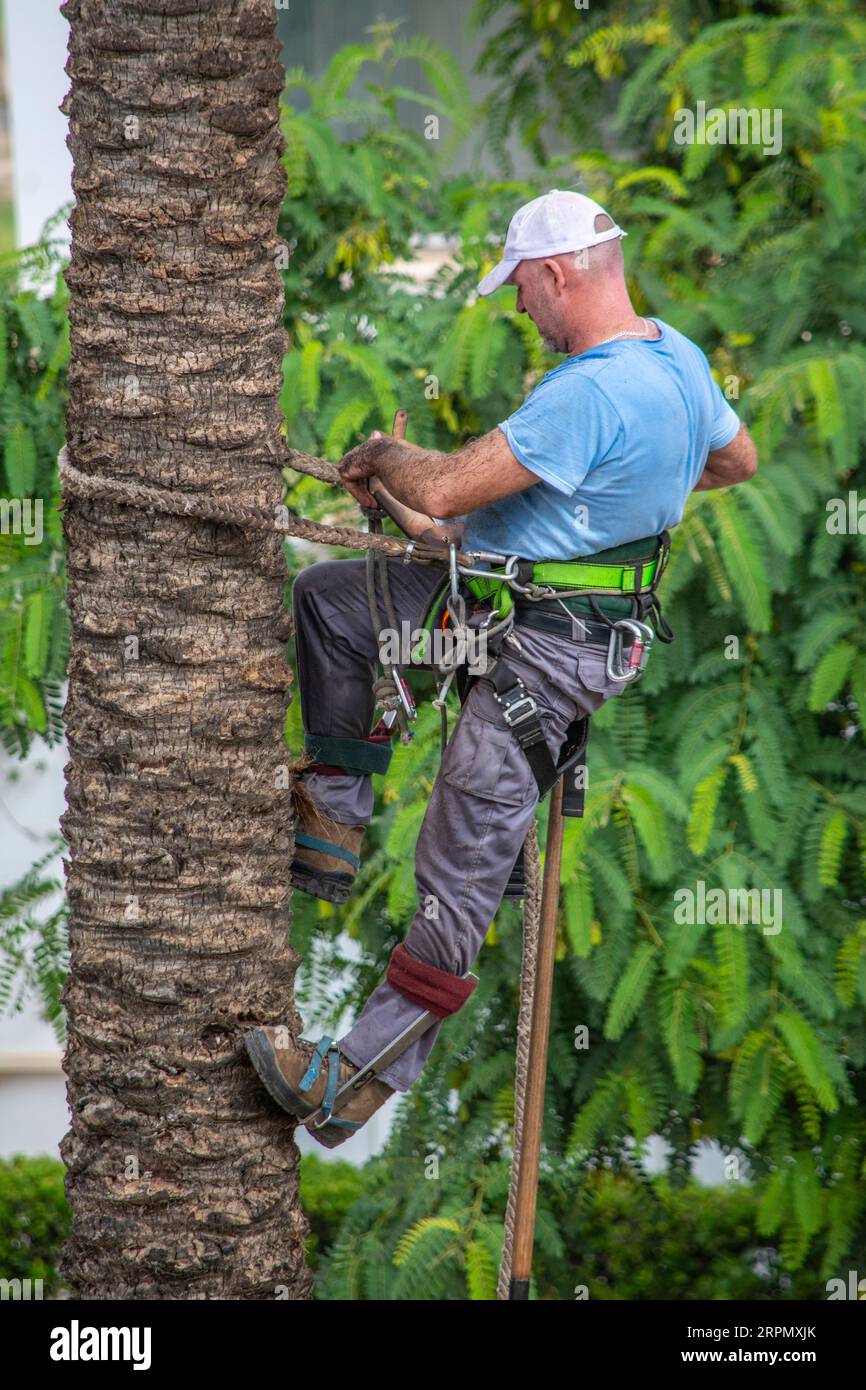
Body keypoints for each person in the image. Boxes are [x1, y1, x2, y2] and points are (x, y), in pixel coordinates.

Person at [244, 189, 757, 1148]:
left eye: (522, 287)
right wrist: (620, 493)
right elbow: (739, 461)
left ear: (557, 274)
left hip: (543, 655)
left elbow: (437, 486)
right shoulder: (677, 362)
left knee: (457, 869)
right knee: (337, 605)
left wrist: (385, 455)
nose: (519, 307)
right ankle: (334, 821)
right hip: (502, 606)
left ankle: (352, 1079)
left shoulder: (591, 393)